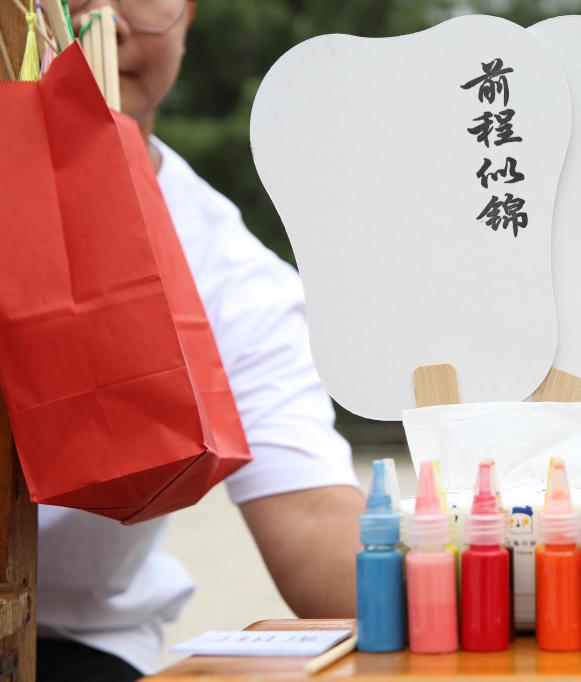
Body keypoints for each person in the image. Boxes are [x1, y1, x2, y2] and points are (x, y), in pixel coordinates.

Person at [37, 1, 367, 680]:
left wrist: (500, 572)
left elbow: (310, 514)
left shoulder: (232, 274)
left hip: (73, 642)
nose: (105, 22)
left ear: (187, 18)